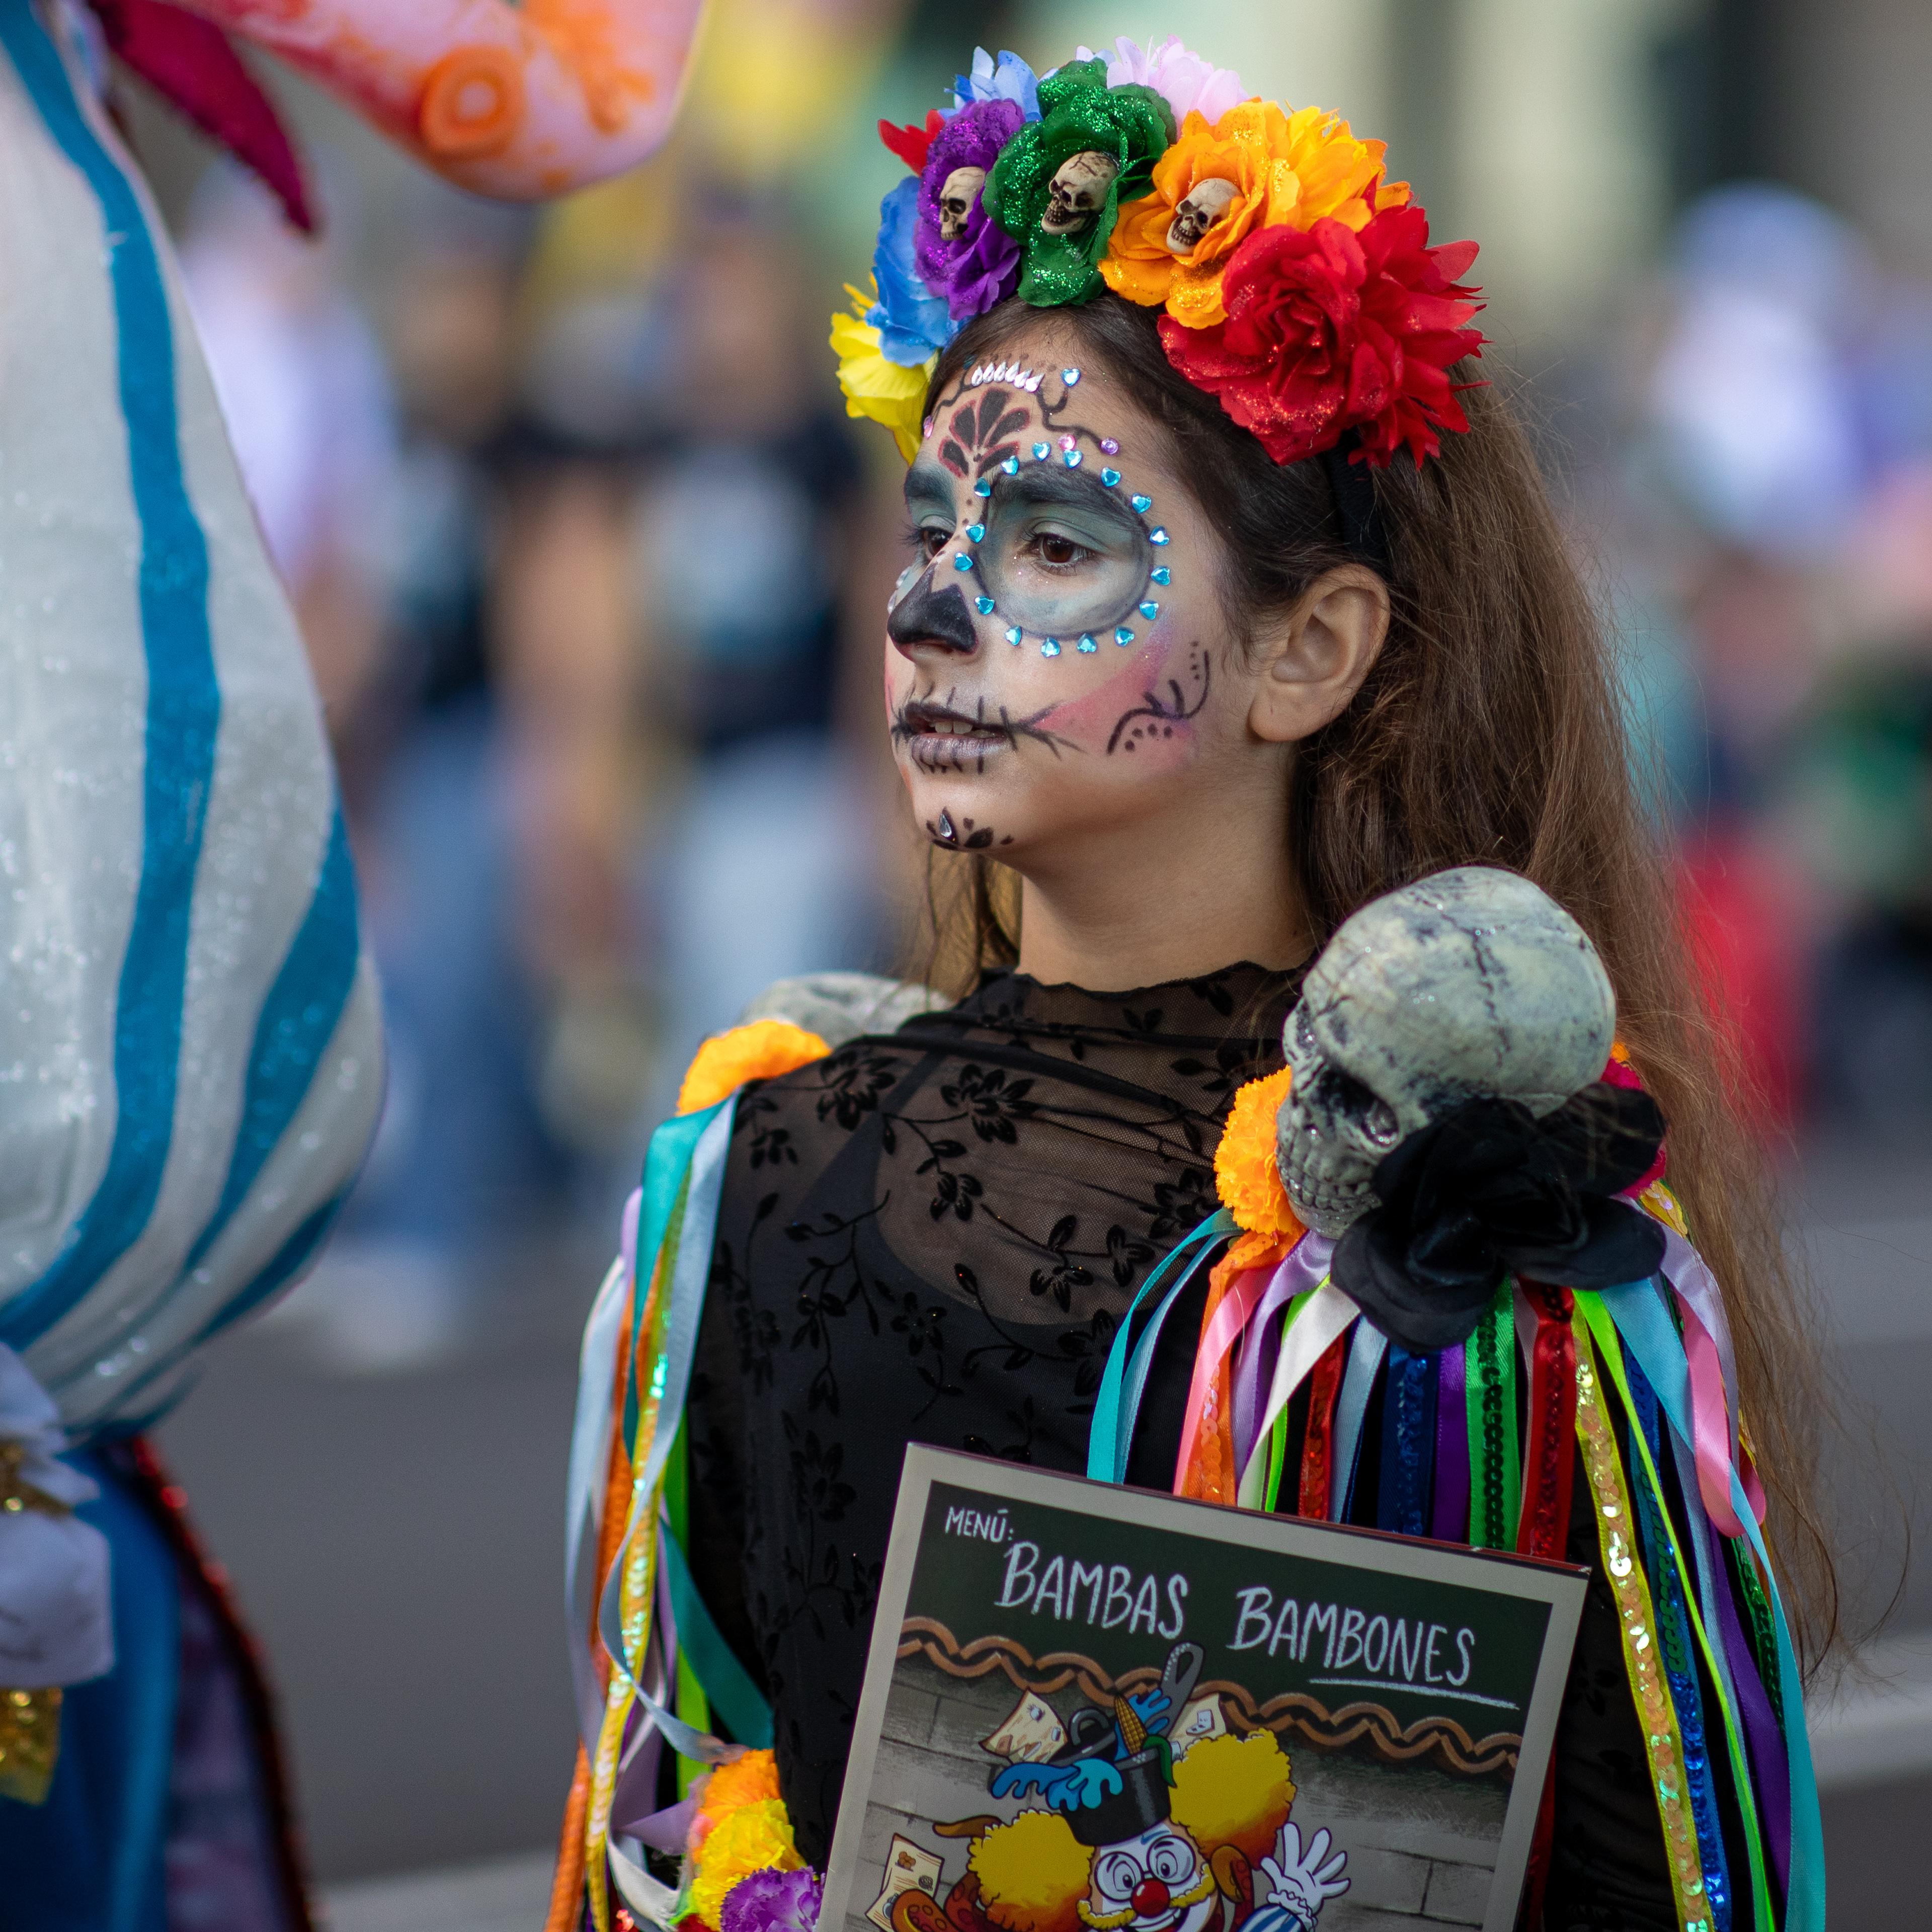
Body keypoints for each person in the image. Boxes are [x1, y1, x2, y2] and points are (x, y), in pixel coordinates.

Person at [556, 38, 1835, 1932]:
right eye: (928, 531)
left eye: (1053, 542)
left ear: (1308, 650)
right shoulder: (763, 1160)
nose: (927, 610)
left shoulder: (1469, 1225)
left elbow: (1645, 1874)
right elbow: (690, 1788)